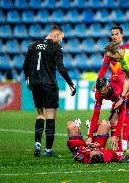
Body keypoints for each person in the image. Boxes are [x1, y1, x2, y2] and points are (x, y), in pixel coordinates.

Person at [23, 25, 76, 157]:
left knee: (40, 113)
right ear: (56, 35)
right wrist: (70, 83)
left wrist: (27, 78)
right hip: (49, 84)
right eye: (61, 38)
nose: (61, 41)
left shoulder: (33, 45)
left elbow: (26, 65)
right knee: (50, 116)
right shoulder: (56, 47)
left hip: (35, 83)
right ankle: (48, 150)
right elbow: (61, 68)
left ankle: (37, 143)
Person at [94, 26, 129, 152]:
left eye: (116, 34)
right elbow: (103, 68)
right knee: (116, 117)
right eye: (112, 34)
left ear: (122, 35)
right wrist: (98, 81)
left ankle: (127, 146)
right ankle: (121, 147)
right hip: (116, 88)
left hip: (128, 87)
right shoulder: (109, 52)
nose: (114, 36)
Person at [88, 77, 129, 155]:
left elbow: (122, 114)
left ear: (107, 86)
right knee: (112, 121)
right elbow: (96, 114)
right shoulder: (99, 94)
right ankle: (119, 151)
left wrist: (117, 135)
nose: (102, 95)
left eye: (103, 92)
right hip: (124, 98)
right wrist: (90, 136)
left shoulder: (118, 91)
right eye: (100, 93)